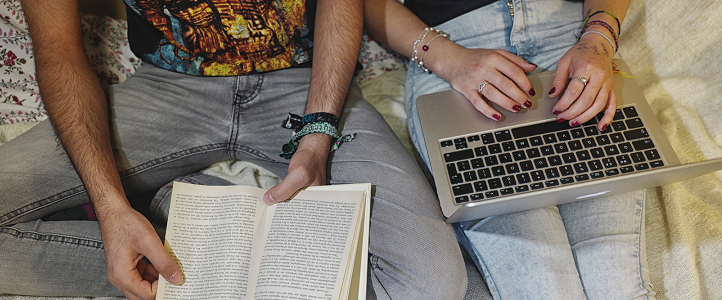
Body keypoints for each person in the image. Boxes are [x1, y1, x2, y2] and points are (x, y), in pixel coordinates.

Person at [0, 0, 467, 299]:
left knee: (434, 284)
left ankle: (182, 205)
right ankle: (190, 233)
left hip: (304, 84)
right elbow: (58, 51)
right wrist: (109, 207)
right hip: (169, 89)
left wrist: (318, 131)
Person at [363, 0, 655, 298]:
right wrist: (447, 58)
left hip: (573, 40)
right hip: (451, 51)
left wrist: (600, 36)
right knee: (543, 286)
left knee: (616, 280)